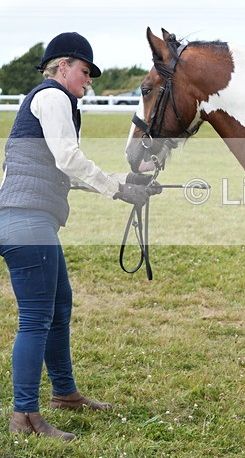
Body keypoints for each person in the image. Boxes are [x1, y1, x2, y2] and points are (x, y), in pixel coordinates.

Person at [0, 32, 160, 440]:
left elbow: (64, 172)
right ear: (64, 66)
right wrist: (118, 189)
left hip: (29, 222)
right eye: (85, 72)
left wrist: (127, 182)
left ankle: (65, 393)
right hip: (27, 224)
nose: (88, 81)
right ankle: (24, 416)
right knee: (36, 319)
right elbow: (69, 160)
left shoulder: (54, 101)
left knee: (59, 307)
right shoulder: (53, 96)